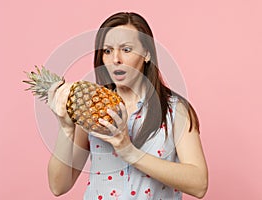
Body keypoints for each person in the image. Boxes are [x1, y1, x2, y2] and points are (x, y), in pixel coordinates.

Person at [47, 12, 208, 199]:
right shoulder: (92, 109)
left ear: (146, 53)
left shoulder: (175, 110)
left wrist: (129, 152)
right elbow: (58, 186)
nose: (116, 59)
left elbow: (199, 185)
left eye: (126, 49)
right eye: (107, 51)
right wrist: (66, 128)